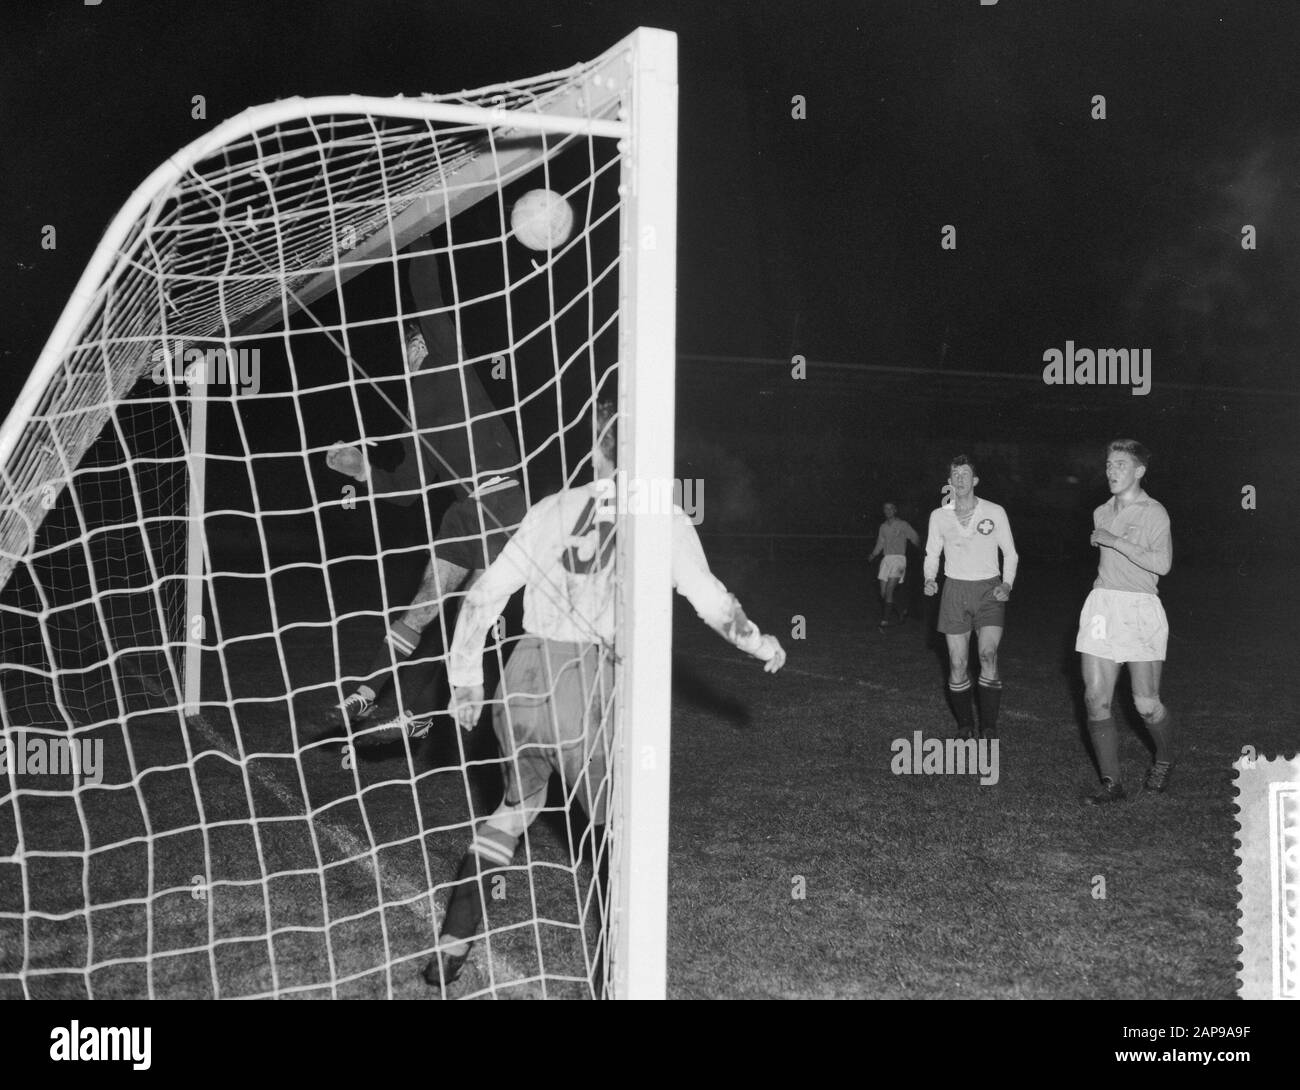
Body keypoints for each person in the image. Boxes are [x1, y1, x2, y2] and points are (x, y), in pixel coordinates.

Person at [421, 399, 787, 991]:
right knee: (624, 836)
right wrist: (761, 642)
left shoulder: (551, 507)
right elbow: (710, 600)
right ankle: (622, 978)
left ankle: (452, 942)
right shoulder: (662, 516)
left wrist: (465, 680)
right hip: (586, 684)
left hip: (519, 681)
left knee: (514, 811)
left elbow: (481, 597)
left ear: (595, 446)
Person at [325, 234, 525, 732]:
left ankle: (429, 711)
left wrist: (421, 230)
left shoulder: (451, 366)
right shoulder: (415, 412)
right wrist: (364, 471)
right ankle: (367, 694)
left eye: (417, 339)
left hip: (503, 502)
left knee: (475, 614)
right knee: (422, 604)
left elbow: (427, 295)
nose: (412, 349)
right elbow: (409, 487)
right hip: (462, 514)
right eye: (407, 345)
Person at [1075, 439, 1174, 805]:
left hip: (1140, 608)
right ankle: (1111, 784)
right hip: (1103, 605)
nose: (1111, 471)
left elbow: (1162, 564)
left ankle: (1164, 758)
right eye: (1109, 465)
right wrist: (1108, 538)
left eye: (1120, 465)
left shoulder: (1155, 512)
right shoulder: (1101, 511)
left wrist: (1115, 541)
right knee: (1094, 698)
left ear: (1139, 471)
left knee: (1145, 703)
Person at [923, 456, 1018, 740]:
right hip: (954, 591)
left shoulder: (995, 511)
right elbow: (932, 553)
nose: (960, 479)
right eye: (955, 474)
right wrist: (930, 578)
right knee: (957, 663)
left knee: (988, 654)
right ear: (949, 482)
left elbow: (1011, 554)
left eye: (965, 474)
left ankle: (988, 727)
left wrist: (1008, 585)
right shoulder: (938, 516)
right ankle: (965, 725)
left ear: (975, 480)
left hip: (988, 590)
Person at [867, 501, 919, 628]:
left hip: (899, 560)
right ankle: (901, 611)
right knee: (883, 594)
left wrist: (921, 551)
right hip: (886, 560)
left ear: (895, 510)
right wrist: (873, 554)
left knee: (889, 591)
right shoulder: (883, 526)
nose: (888, 510)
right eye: (885, 508)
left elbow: (914, 537)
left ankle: (885, 621)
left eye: (890, 508)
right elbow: (880, 542)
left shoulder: (903, 524)